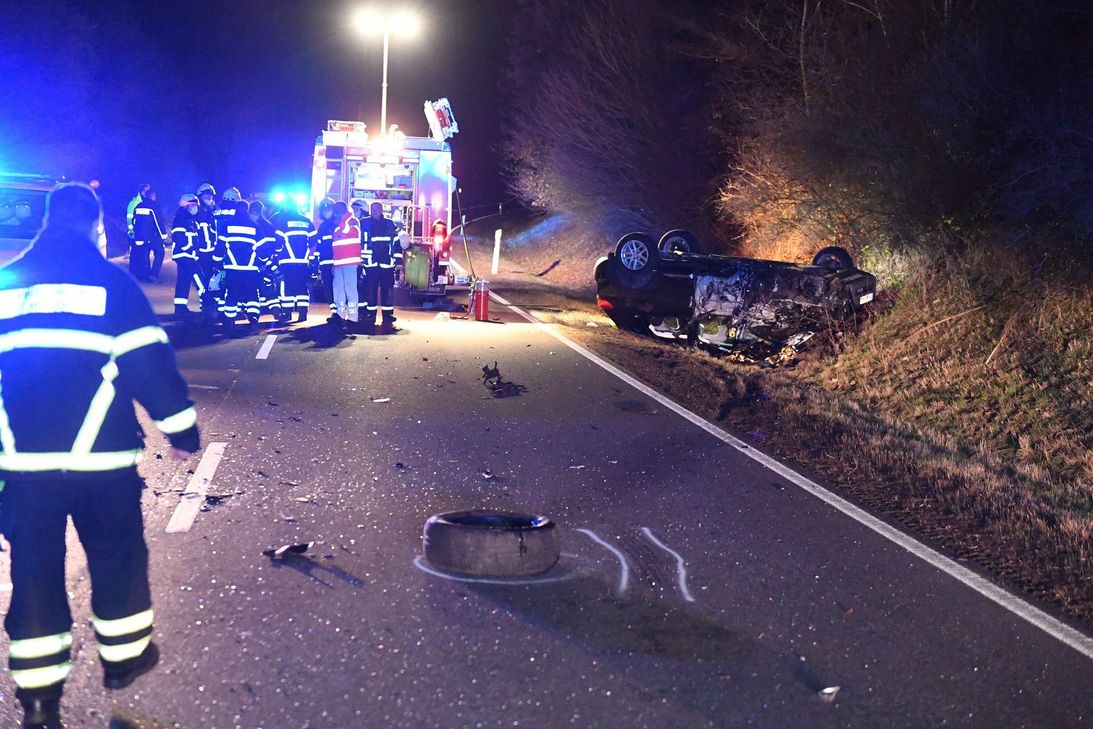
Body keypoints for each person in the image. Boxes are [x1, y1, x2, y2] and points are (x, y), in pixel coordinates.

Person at [0, 183, 200, 729]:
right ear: (93, 226)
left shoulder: (6, 285)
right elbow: (149, 367)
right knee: (116, 557)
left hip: (24, 470)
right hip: (100, 465)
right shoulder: (113, 285)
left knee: (35, 575)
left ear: (45, 220)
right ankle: (124, 660)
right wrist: (182, 432)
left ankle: (39, 705)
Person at [213, 200, 277, 328]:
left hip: (232, 269)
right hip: (251, 269)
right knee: (252, 293)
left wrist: (216, 262)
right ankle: (253, 318)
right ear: (247, 211)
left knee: (231, 293)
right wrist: (262, 263)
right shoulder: (254, 226)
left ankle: (230, 319)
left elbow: (220, 248)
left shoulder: (226, 226)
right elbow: (264, 250)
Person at [360, 202, 404, 333]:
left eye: (377, 209)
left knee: (388, 292)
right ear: (370, 210)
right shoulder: (363, 223)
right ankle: (370, 317)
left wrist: (398, 260)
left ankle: (387, 317)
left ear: (381, 210)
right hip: (371, 263)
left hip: (387, 264)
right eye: (372, 209)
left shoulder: (390, 224)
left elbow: (396, 243)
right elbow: (360, 242)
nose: (375, 211)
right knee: (370, 291)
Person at [271, 196, 315, 322]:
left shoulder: (282, 221)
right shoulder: (307, 221)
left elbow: (278, 244)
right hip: (303, 262)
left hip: (287, 261)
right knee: (302, 287)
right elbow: (313, 242)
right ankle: (303, 312)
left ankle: (287, 313)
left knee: (287, 287)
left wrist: (276, 255)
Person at [329, 199, 361, 331]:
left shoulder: (349, 221)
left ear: (343, 210)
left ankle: (353, 318)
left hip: (349, 262)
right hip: (340, 262)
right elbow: (337, 246)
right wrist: (334, 263)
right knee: (338, 290)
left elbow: (346, 231)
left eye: (337, 210)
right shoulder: (340, 223)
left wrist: (341, 219)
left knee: (350, 289)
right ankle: (340, 315)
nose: (335, 212)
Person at [170, 194, 202, 318]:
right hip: (184, 255)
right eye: (193, 205)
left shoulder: (189, 219)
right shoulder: (181, 219)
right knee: (199, 279)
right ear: (186, 206)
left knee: (184, 281)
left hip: (187, 255)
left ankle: (180, 309)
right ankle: (208, 303)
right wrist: (190, 247)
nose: (195, 208)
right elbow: (179, 238)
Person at [247, 200, 280, 320]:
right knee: (267, 285)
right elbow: (274, 246)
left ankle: (260, 310)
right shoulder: (269, 225)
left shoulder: (251, 224)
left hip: (252, 262)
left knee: (255, 285)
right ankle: (274, 308)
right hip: (265, 261)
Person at [194, 183, 219, 321]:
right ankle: (206, 306)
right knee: (203, 281)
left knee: (214, 280)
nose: (209, 197)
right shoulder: (197, 212)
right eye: (206, 195)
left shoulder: (214, 210)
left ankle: (212, 306)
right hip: (201, 253)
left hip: (213, 252)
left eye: (210, 195)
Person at [130, 189, 166, 282]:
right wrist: (163, 235)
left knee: (144, 254)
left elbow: (134, 221)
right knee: (160, 252)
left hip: (139, 236)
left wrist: (135, 232)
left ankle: (145, 275)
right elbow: (158, 221)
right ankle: (154, 274)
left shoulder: (138, 206)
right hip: (152, 237)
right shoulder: (154, 207)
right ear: (153, 196)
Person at [309, 198, 337, 318]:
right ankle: (335, 312)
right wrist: (315, 261)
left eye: (329, 209)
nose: (326, 212)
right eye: (324, 210)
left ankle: (338, 311)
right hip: (326, 263)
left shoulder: (337, 224)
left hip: (338, 262)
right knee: (328, 287)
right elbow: (318, 245)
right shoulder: (323, 226)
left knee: (337, 287)